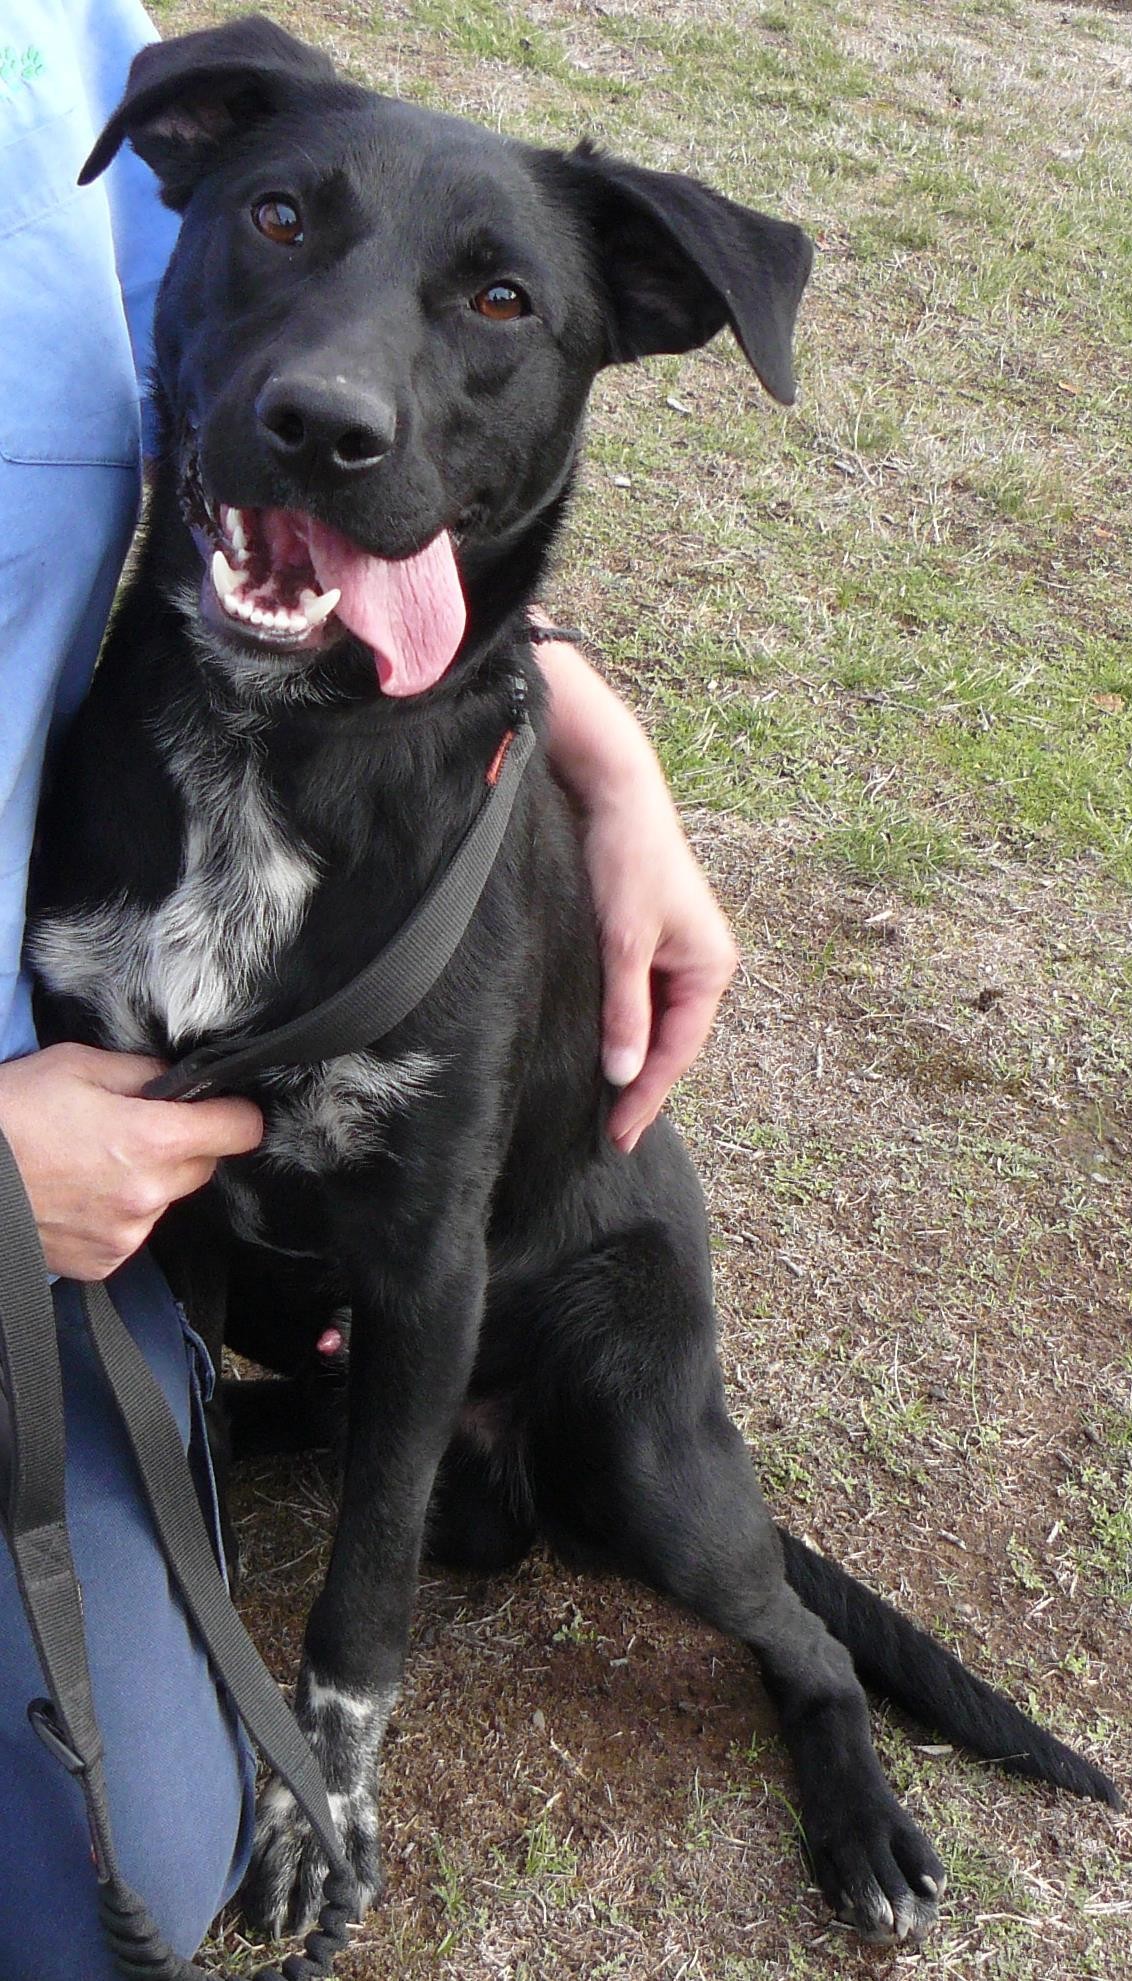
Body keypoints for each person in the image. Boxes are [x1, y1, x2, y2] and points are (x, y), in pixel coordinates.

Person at [0, 3, 737, 1972]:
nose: (339, 380)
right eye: (285, 227)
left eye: (494, 301)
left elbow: (280, 380)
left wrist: (601, 748)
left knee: (129, 1876)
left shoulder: (61, 47)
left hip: (102, 1196)